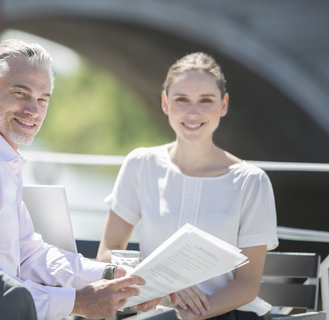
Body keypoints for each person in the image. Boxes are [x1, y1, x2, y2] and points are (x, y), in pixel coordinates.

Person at [0, 39, 161, 320]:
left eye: (42, 99)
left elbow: (29, 255)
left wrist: (113, 275)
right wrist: (77, 302)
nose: (33, 111)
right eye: (21, 93)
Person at [97, 52, 279, 320]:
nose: (193, 112)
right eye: (182, 99)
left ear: (223, 105)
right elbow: (106, 254)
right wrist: (160, 289)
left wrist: (188, 315)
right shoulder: (141, 164)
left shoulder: (251, 181)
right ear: (165, 103)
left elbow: (247, 285)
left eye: (206, 100)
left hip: (222, 315)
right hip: (152, 313)